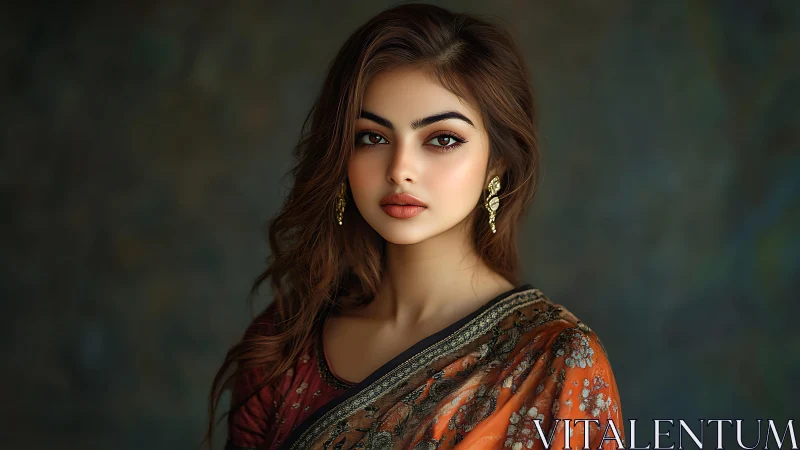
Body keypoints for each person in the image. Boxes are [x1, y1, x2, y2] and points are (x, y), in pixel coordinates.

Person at [206, 4, 625, 449]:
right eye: (372, 137)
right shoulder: (287, 341)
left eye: (442, 139)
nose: (400, 169)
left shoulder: (553, 361)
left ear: (497, 162)